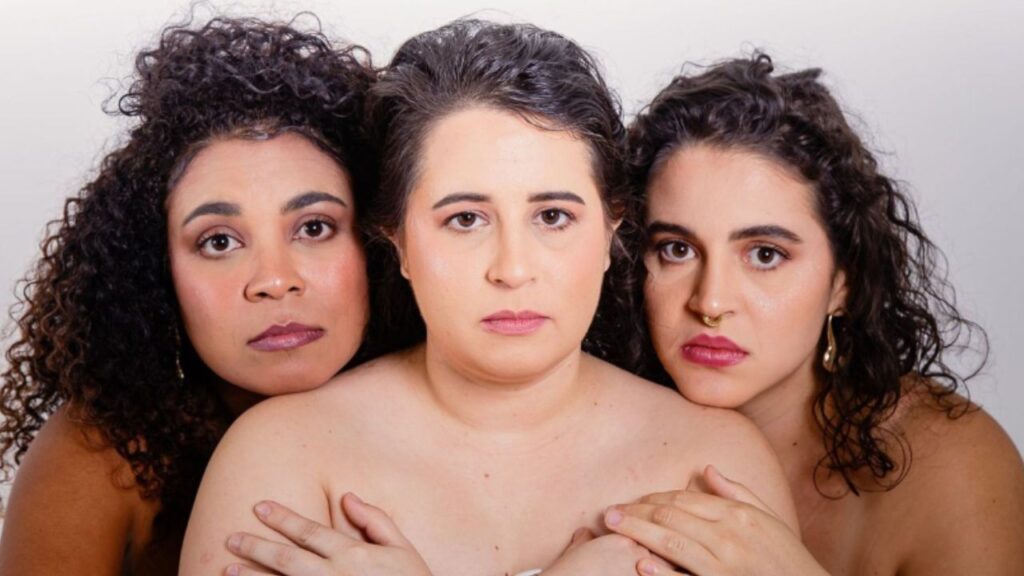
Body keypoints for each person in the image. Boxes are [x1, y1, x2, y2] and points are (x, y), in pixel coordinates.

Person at [179, 20, 797, 576]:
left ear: (611, 233)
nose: (512, 269)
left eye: (552, 217)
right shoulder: (283, 457)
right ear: (398, 242)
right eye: (466, 220)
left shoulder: (714, 463)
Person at [604, 54, 1024, 575]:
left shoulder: (950, 467)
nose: (710, 303)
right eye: (676, 249)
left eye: (765, 255)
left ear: (842, 282)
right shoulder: (584, 431)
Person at [0, 16, 381, 575]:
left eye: (314, 227)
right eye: (219, 241)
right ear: (159, 273)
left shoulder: (451, 409)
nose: (275, 279)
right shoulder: (106, 457)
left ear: (377, 241)